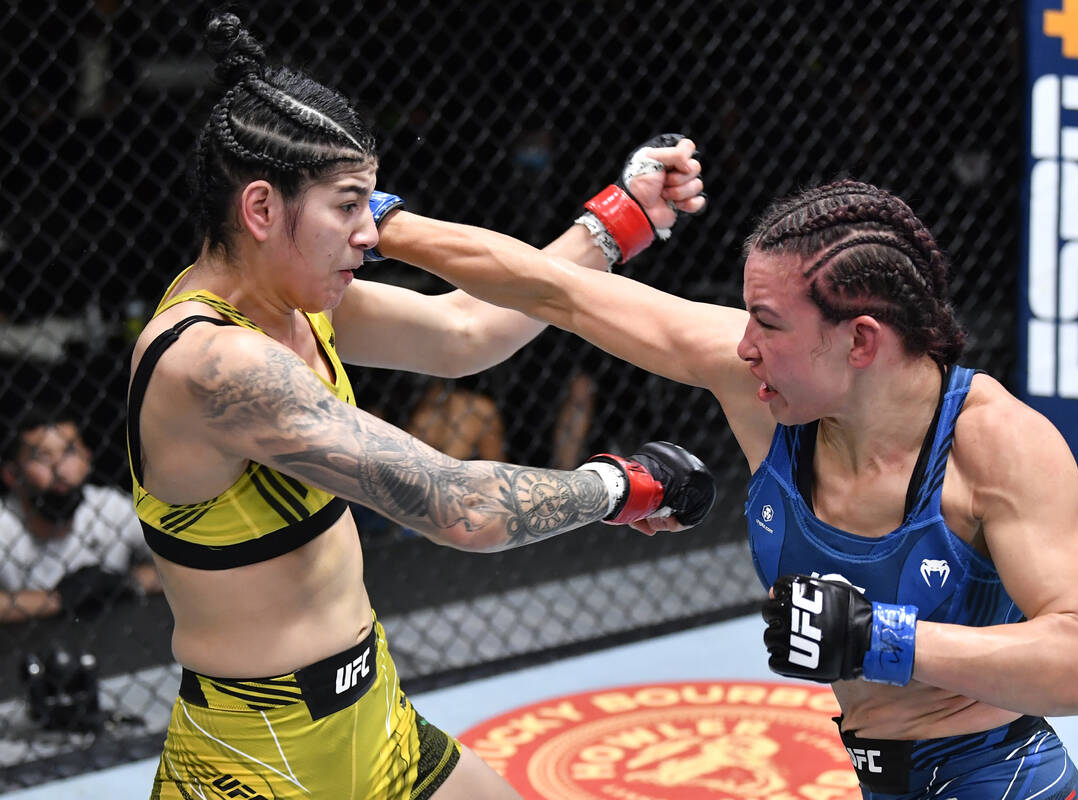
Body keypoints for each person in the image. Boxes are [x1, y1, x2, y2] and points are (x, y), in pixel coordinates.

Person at [130, 13, 714, 800]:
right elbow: (460, 506)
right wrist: (622, 485)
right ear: (262, 210)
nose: (371, 234)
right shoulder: (212, 363)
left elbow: (465, 330)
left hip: (374, 720)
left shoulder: (295, 303)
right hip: (260, 767)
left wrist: (618, 220)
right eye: (347, 206)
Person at [388, 179, 1078, 798]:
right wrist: (379, 219)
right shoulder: (766, 390)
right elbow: (556, 290)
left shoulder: (996, 444)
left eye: (766, 325)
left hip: (1001, 778)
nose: (743, 347)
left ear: (860, 341)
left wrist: (877, 638)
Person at [1, 407, 160, 623]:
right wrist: (56, 600)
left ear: (87, 459)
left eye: (69, 452)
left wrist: (127, 582)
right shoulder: (4, 525)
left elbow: (185, 560)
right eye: (42, 457)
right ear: (12, 474)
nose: (60, 469)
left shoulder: (108, 507)